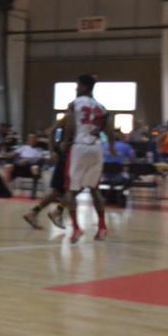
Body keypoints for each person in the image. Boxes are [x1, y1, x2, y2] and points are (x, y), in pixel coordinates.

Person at [61, 74, 115, 244]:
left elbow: (70, 124)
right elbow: (109, 130)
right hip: (96, 148)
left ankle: (76, 228)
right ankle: (102, 227)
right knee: (94, 189)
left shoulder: (74, 104)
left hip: (79, 147)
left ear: (84, 87)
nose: (76, 88)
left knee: (71, 190)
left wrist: (65, 141)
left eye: (77, 85)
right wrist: (112, 146)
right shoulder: (102, 107)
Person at [22, 119, 68, 230]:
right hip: (66, 159)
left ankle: (34, 213)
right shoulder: (70, 116)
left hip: (71, 158)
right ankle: (56, 212)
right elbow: (50, 131)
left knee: (59, 192)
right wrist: (52, 151)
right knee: (72, 190)